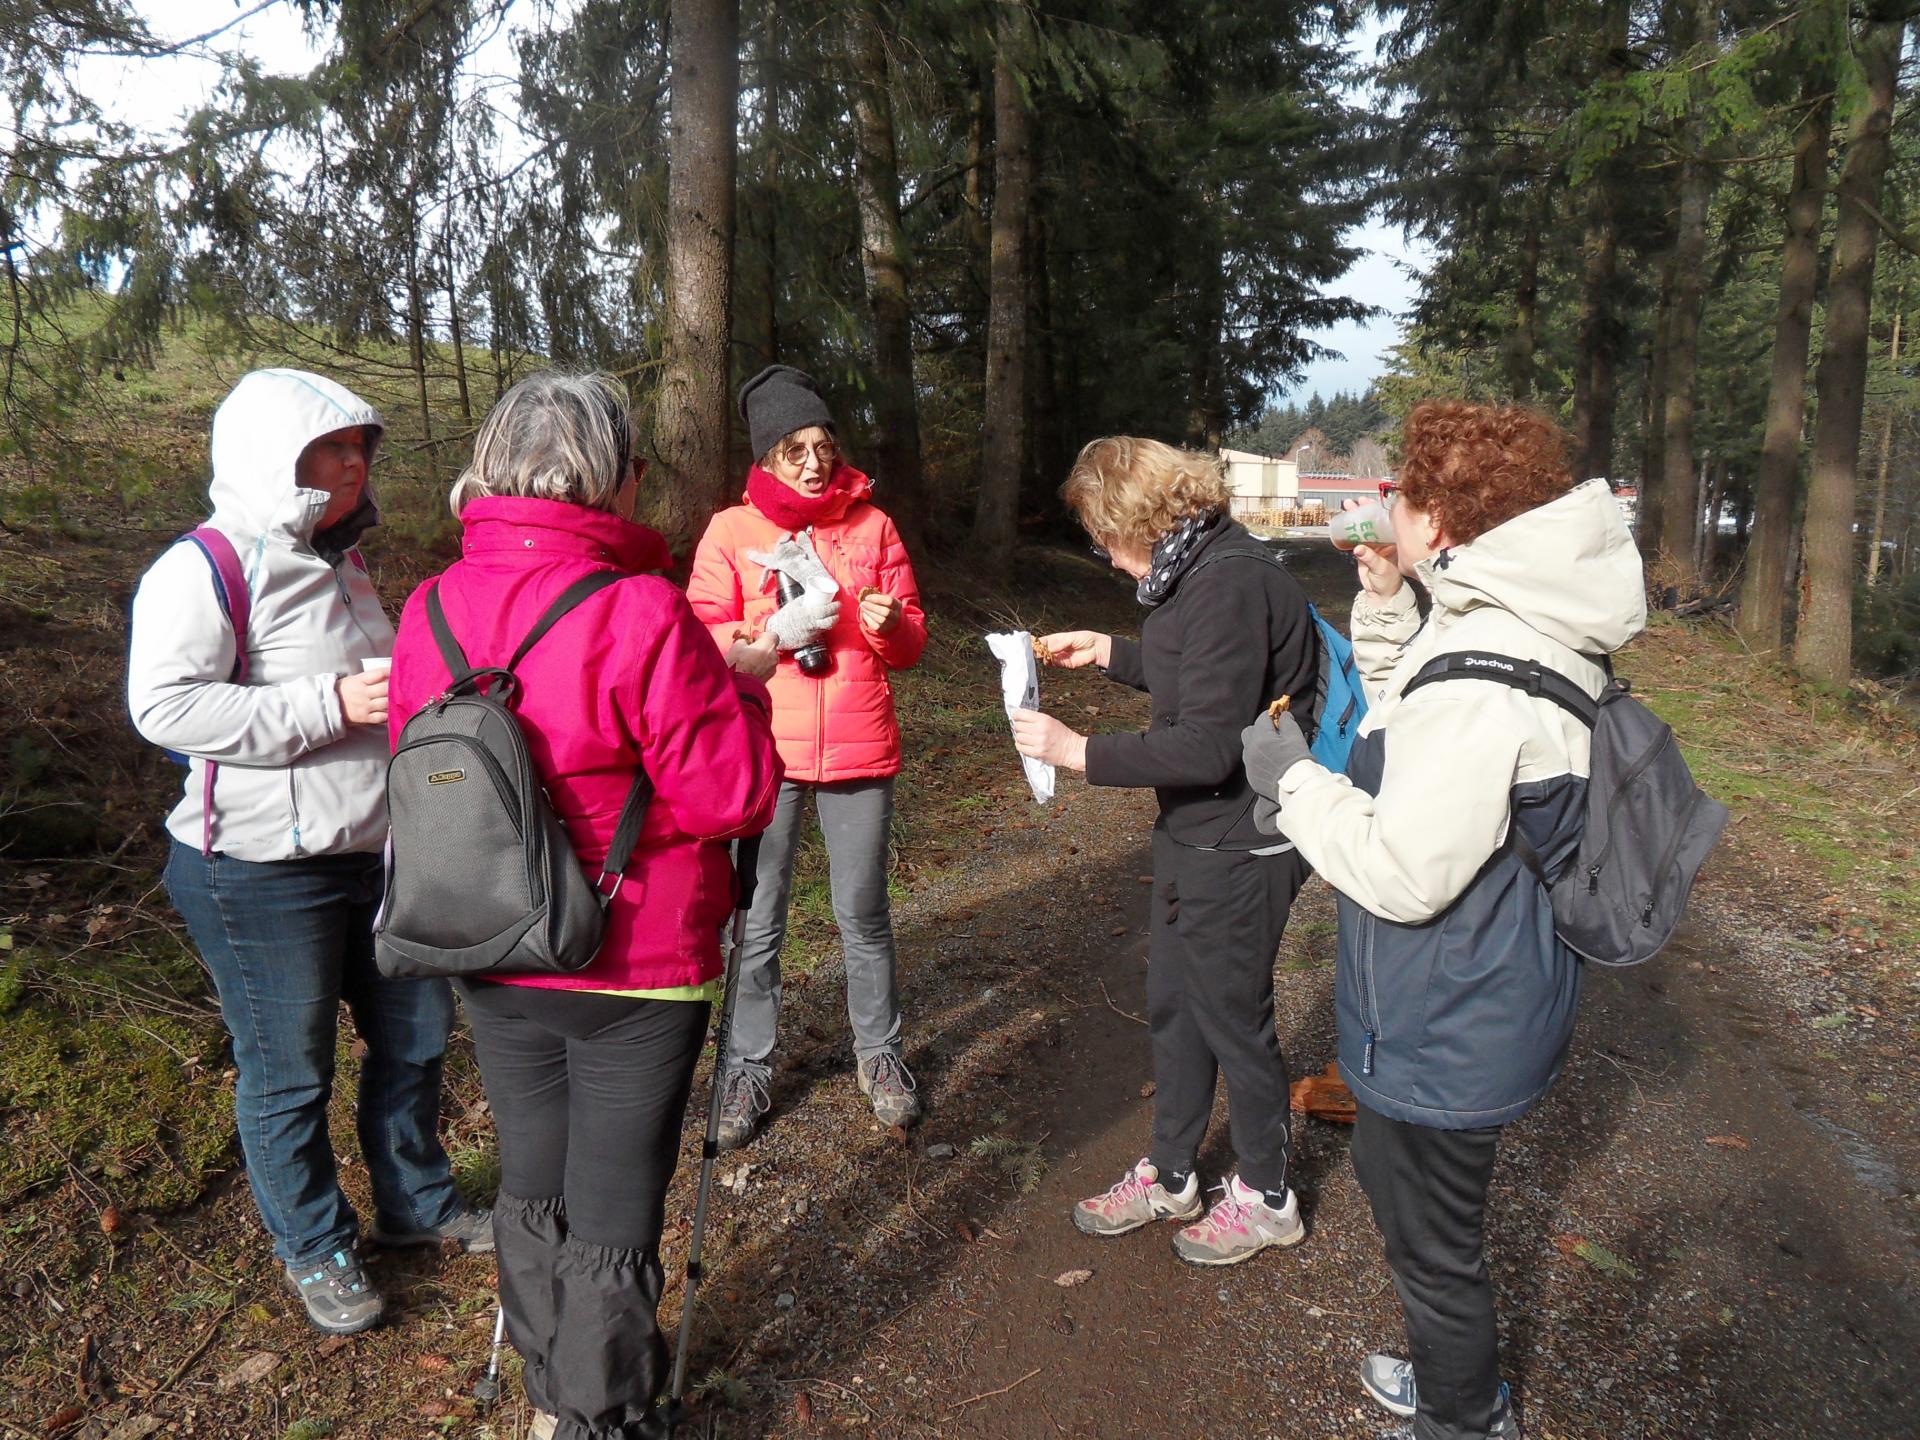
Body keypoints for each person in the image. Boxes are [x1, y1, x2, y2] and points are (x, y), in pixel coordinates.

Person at [1241, 402, 1646, 1440]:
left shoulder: (1483, 670)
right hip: (1476, 986)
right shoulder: (1501, 625)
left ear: (1438, 517)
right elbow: (1408, 732)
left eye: (1401, 493)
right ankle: (1454, 1383)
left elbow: (1403, 866)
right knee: (1393, 1178)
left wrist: (1291, 784)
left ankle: (1466, 1417)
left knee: (1433, 1241)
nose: (1387, 507)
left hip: (1453, 1007)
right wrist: (1386, 609)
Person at [388, 371, 781, 1440]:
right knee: (611, 1208)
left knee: (531, 1183)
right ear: (615, 478)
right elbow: (733, 793)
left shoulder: (427, 608)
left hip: (488, 937)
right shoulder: (643, 609)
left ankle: (549, 1389)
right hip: (635, 958)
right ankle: (599, 1416)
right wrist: (742, 681)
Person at [129, 369, 488, 1337]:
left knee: (414, 1038)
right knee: (289, 1072)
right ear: (272, 461)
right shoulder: (204, 568)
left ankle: (416, 1206)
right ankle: (317, 1244)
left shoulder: (343, 564)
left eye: (360, 449)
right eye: (331, 450)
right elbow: (164, 706)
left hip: (376, 852)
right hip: (254, 872)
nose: (352, 465)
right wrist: (332, 706)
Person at [1010, 436, 1318, 1266]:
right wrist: (1110, 653)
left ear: (1139, 517)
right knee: (1177, 1004)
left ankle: (1267, 1196)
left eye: (1105, 537)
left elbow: (1206, 745)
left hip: (1244, 834)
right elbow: (1202, 675)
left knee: (1231, 1016)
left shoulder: (1231, 580)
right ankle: (1174, 1173)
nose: (1106, 557)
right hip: (1195, 831)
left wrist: (1078, 752)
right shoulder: (1197, 568)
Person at [686, 363, 928, 1149]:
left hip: (861, 748)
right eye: (795, 450)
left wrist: (890, 624)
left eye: (823, 446)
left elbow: (912, 644)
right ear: (765, 458)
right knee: (756, 922)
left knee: (863, 914)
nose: (815, 463)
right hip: (768, 753)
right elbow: (699, 634)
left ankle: (880, 1054)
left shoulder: (873, 527)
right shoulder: (732, 532)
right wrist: (768, 637)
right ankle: (747, 1067)